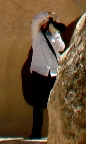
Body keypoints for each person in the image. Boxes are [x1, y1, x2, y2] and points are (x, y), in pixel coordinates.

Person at [28, 10, 66, 140]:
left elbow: (61, 47)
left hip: (53, 74)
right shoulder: (37, 36)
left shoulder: (53, 36)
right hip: (40, 73)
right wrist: (48, 15)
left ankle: (53, 134)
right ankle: (36, 134)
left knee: (53, 104)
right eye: (46, 23)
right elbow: (35, 21)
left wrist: (55, 31)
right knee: (38, 106)